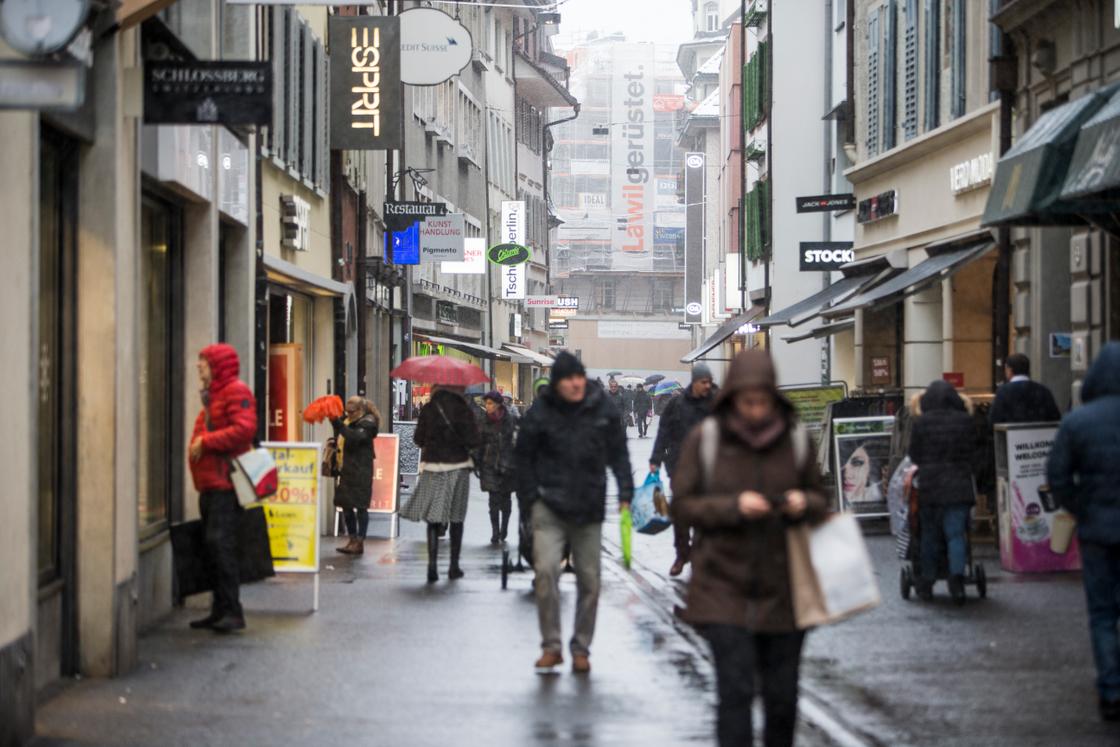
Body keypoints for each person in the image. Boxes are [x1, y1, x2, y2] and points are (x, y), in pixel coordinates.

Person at [670, 349, 827, 747]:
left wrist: (802, 503)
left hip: (785, 588)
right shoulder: (706, 440)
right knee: (735, 695)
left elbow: (821, 498)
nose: (756, 409)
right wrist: (732, 507)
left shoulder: (795, 438)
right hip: (723, 586)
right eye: (747, 401)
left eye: (763, 400)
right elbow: (683, 504)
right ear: (733, 397)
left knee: (782, 699)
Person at [515, 352, 633, 674]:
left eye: (579, 376)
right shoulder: (541, 411)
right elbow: (522, 457)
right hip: (548, 505)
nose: (576, 383)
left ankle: (581, 647)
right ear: (557, 383)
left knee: (590, 580)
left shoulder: (602, 408)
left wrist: (625, 490)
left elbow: (619, 453)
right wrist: (529, 499)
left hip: (589, 506)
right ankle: (551, 646)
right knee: (546, 572)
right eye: (568, 378)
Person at [1047, 342, 1120, 721]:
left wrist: (1079, 506)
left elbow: (1056, 474)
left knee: (1103, 612)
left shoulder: (1079, 420)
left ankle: (1111, 689)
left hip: (1097, 530)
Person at [187, 343, 257, 633]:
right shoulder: (213, 396)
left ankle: (232, 610)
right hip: (210, 484)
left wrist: (206, 442)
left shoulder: (235, 392)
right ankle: (219, 609)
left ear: (217, 366)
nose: (198, 366)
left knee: (222, 545)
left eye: (203, 362)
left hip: (225, 485)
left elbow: (244, 429)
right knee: (212, 548)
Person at [400, 383, 481, 583]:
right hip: (458, 467)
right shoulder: (463, 409)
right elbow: (474, 440)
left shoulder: (428, 409)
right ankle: (454, 566)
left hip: (433, 467)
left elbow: (418, 439)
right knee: (456, 517)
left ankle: (432, 566)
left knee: (434, 517)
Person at [908, 380, 979, 604]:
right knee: (956, 534)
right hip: (959, 486)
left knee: (929, 535)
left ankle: (927, 581)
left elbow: (915, 455)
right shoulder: (966, 422)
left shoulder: (921, 423)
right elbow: (975, 453)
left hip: (931, 487)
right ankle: (957, 580)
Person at [650, 363, 717, 576]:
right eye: (703, 382)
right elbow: (663, 432)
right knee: (680, 513)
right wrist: (655, 459)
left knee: (705, 513)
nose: (707, 386)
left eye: (709, 381)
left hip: (710, 468)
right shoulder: (677, 405)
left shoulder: (718, 403)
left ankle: (700, 555)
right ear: (694, 382)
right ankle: (682, 553)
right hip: (680, 467)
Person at [332, 397, 381, 556]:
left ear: (360, 410)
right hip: (347, 468)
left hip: (361, 470)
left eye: (351, 411)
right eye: (347, 411)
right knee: (346, 505)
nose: (348, 414)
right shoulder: (348, 420)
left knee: (361, 506)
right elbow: (343, 435)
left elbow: (355, 438)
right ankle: (352, 539)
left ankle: (360, 541)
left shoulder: (368, 422)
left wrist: (339, 424)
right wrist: (335, 421)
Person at [477, 390, 518, 545]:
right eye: (486, 403)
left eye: (490, 403)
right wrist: (477, 461)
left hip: (508, 465)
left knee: (506, 499)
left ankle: (504, 527)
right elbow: (479, 443)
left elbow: (517, 443)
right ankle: (495, 531)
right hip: (489, 464)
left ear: (498, 404)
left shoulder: (511, 420)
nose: (487, 406)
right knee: (493, 499)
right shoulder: (483, 421)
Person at [990, 353, 1062, 425]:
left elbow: (994, 419)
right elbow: (1055, 417)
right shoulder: (1043, 390)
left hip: (1012, 435)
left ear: (1009, 370)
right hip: (1040, 434)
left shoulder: (1003, 392)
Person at [840, 441, 886, 508]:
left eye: (857, 463)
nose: (847, 475)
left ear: (870, 468)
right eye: (841, 464)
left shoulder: (878, 495)